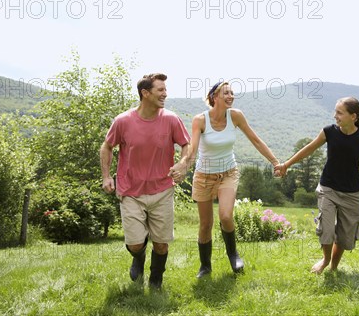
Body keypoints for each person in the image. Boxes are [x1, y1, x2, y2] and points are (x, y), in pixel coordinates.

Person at [100, 73, 191, 289]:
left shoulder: (171, 119)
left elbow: (186, 145)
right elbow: (107, 146)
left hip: (162, 190)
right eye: (160, 90)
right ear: (145, 93)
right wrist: (105, 176)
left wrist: (183, 163)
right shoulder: (123, 121)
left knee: (161, 244)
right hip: (130, 190)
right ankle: (138, 258)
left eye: (165, 89)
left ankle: (156, 280)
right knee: (135, 243)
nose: (165, 94)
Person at [184, 81, 280, 278]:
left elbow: (255, 140)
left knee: (226, 216)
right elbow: (192, 149)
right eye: (225, 93)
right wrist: (183, 165)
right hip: (203, 176)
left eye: (232, 93)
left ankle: (233, 255)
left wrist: (274, 162)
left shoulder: (235, 115)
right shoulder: (200, 120)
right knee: (205, 224)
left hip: (228, 172)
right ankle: (205, 266)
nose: (230, 96)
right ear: (214, 97)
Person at [275, 97, 359, 274]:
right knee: (326, 229)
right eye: (335, 112)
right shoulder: (329, 132)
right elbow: (309, 149)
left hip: (351, 194)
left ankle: (334, 266)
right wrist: (286, 164)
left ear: (353, 116)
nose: (335, 116)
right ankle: (325, 260)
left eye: (339, 112)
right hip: (328, 189)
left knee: (344, 237)